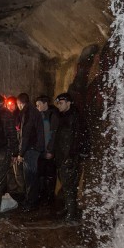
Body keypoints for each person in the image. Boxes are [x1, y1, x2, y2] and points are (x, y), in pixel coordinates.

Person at [52, 93, 88, 226]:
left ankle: (72, 215)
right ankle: (69, 208)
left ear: (68, 103)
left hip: (70, 158)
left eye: (61, 103)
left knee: (70, 186)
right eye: (58, 103)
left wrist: (72, 157)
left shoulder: (75, 118)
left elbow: (78, 140)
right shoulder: (63, 117)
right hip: (62, 157)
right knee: (66, 184)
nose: (59, 106)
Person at [15, 92, 45, 212]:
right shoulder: (33, 111)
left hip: (31, 149)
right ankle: (31, 201)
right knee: (32, 177)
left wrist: (21, 153)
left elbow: (25, 135)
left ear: (20, 103)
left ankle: (31, 203)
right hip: (34, 148)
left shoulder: (27, 113)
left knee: (30, 177)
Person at [35, 95, 59, 205]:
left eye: (38, 104)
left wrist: (50, 150)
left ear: (45, 104)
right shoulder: (40, 115)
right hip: (41, 150)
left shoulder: (52, 115)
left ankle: (49, 198)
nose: (37, 107)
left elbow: (53, 134)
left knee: (50, 174)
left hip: (48, 150)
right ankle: (43, 196)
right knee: (41, 174)